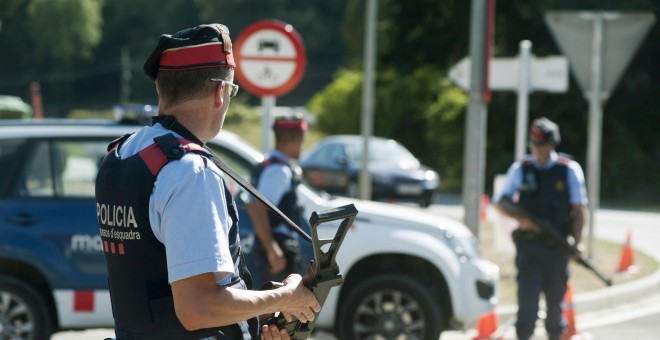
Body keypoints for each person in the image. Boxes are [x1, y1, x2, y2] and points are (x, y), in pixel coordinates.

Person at [95, 23, 319, 340]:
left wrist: (256, 312)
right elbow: (198, 308)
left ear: (159, 86)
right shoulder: (190, 172)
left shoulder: (122, 155)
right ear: (220, 92)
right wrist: (287, 298)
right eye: (232, 92)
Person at [493, 117, 588, 340]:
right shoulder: (522, 169)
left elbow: (579, 210)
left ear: (552, 144)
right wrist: (524, 221)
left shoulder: (568, 170)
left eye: (540, 144)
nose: (536, 149)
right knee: (527, 305)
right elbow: (500, 202)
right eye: (533, 144)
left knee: (555, 308)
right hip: (529, 247)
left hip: (557, 248)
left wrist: (576, 242)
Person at [246, 115, 307, 288]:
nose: (302, 147)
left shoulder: (269, 162)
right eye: (302, 141)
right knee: (274, 311)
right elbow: (256, 208)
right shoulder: (279, 171)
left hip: (272, 245)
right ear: (294, 141)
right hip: (277, 247)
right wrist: (273, 250)